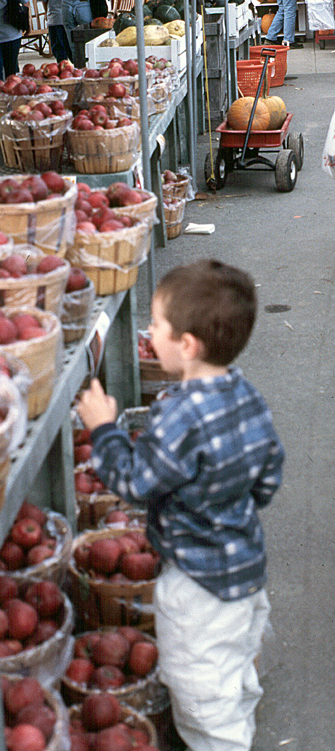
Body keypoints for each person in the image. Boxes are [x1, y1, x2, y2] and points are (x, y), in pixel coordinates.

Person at [77, 259, 285, 751]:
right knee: (236, 659)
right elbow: (269, 476)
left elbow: (134, 482)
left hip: (198, 584)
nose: (149, 330)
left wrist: (103, 429)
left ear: (187, 346)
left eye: (156, 323)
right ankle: (241, 708)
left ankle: (224, 740)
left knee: (199, 691)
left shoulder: (179, 414)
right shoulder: (247, 395)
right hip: (245, 566)